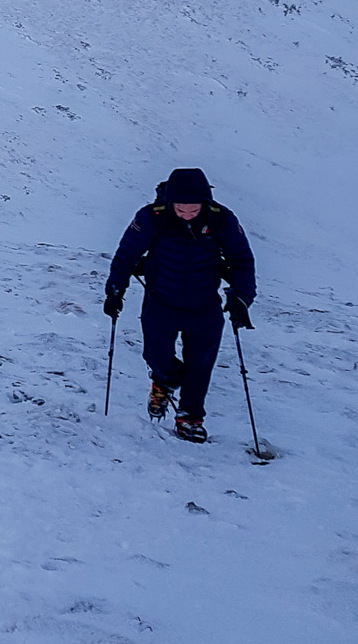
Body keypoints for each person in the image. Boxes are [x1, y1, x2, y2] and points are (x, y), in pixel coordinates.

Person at [103, 167, 256, 443]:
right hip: (161, 301)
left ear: (204, 202)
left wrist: (242, 297)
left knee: (201, 364)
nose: (187, 214)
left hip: (205, 303)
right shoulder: (152, 217)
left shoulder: (222, 220)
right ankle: (164, 380)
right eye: (181, 209)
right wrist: (115, 289)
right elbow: (126, 254)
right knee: (156, 355)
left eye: (193, 210)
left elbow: (242, 260)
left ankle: (190, 418)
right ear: (170, 202)